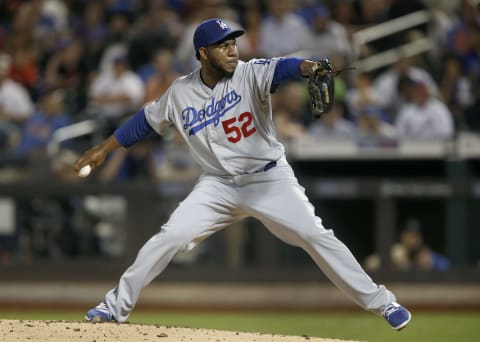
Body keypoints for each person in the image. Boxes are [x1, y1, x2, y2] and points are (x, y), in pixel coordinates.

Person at [75, 18, 411, 331]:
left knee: (315, 235)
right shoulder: (179, 92)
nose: (233, 49)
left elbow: (283, 67)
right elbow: (143, 122)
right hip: (217, 186)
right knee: (170, 237)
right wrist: (103, 149)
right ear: (203, 53)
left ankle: (383, 303)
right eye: (223, 45)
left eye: (234, 42)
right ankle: (112, 308)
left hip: (269, 180)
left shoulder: (250, 73)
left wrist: (308, 67)